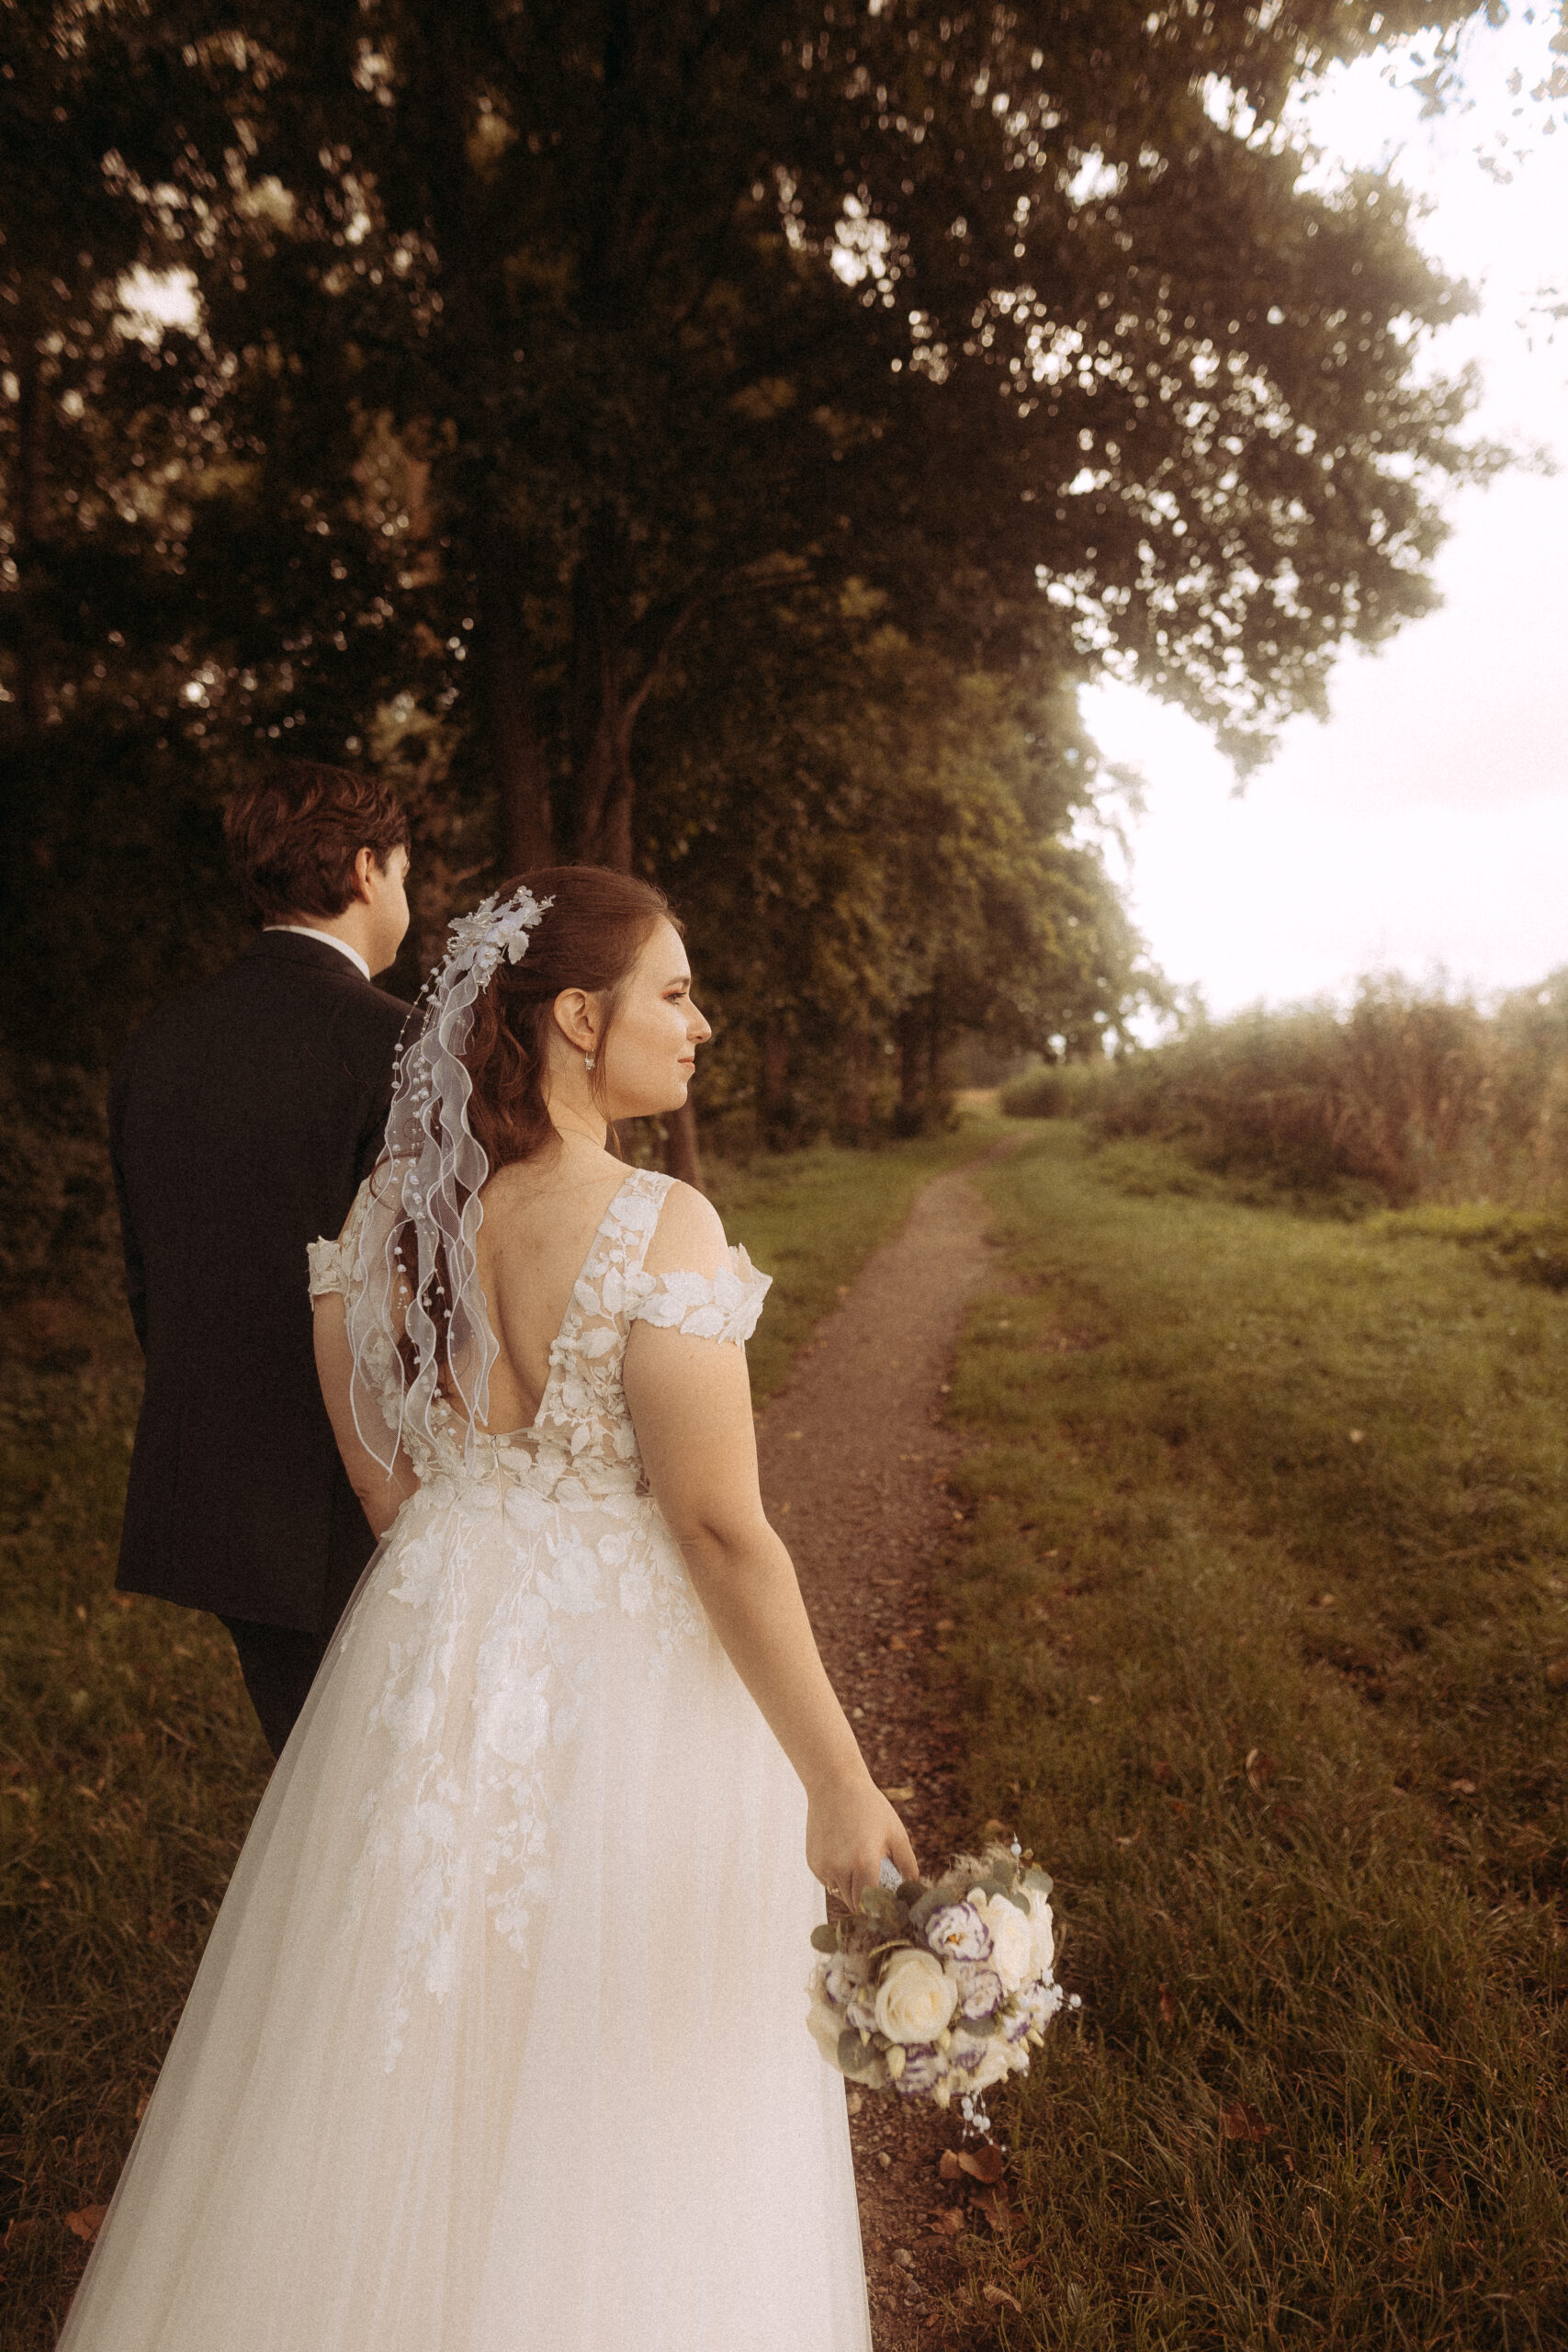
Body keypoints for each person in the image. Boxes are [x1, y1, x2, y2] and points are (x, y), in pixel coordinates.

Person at [61, 865, 913, 2351]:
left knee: (405, 2036)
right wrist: (836, 1780)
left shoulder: (381, 1227)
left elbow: (391, 1495)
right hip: (634, 1681)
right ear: (580, 1017)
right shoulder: (659, 1225)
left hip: (430, 1652)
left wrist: (482, 1584)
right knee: (624, 2077)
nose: (699, 1024)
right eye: (675, 991)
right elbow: (715, 1526)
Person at [109, 761, 412, 1756]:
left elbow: (150, 1280)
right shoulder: (396, 1046)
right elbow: (423, 1294)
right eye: (404, 871)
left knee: (310, 1783)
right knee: (391, 1787)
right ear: (367, 869)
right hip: (366, 1492)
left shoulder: (161, 1040)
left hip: (222, 1492)